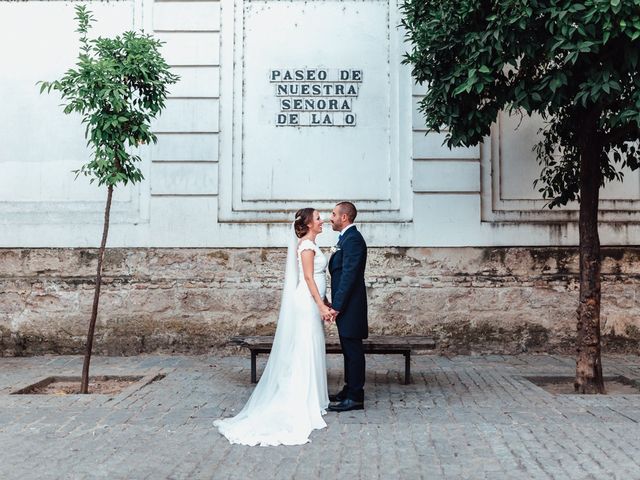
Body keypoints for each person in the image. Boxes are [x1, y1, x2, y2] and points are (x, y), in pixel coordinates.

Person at [214, 208, 332, 446]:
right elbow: (308, 278)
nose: (323, 221)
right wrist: (320, 305)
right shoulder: (306, 247)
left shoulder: (310, 243)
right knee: (305, 345)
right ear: (308, 224)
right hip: (308, 302)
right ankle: (302, 398)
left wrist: (325, 300)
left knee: (311, 343)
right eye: (318, 218)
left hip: (314, 301)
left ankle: (314, 396)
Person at [326, 201, 368, 412]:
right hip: (347, 304)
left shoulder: (353, 240)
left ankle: (355, 397)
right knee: (348, 349)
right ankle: (349, 388)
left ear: (344, 217)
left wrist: (337, 306)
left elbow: (349, 276)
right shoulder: (346, 238)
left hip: (351, 305)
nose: (330, 218)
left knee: (353, 351)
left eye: (333, 214)